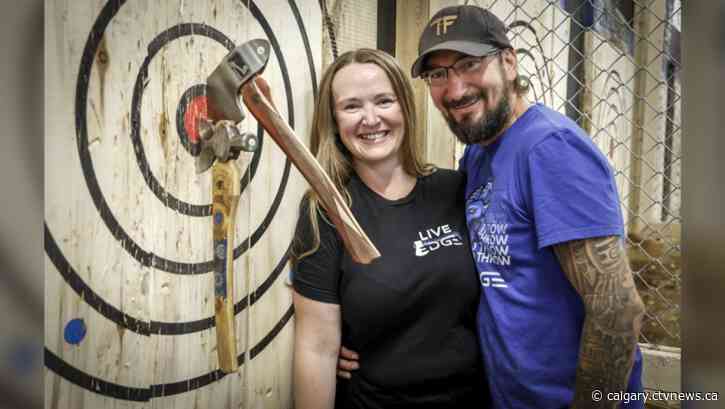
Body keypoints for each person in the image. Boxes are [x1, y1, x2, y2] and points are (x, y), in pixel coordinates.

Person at [338, 5, 646, 409]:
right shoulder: (480, 157)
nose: (455, 89)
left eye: (469, 64)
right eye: (438, 74)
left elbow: (616, 309)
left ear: (509, 61)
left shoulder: (551, 149)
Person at [291, 48, 490, 409]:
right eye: (352, 106)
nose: (370, 118)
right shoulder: (326, 213)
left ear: (405, 108)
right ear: (334, 120)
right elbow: (316, 348)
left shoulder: (456, 190)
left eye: (384, 101)